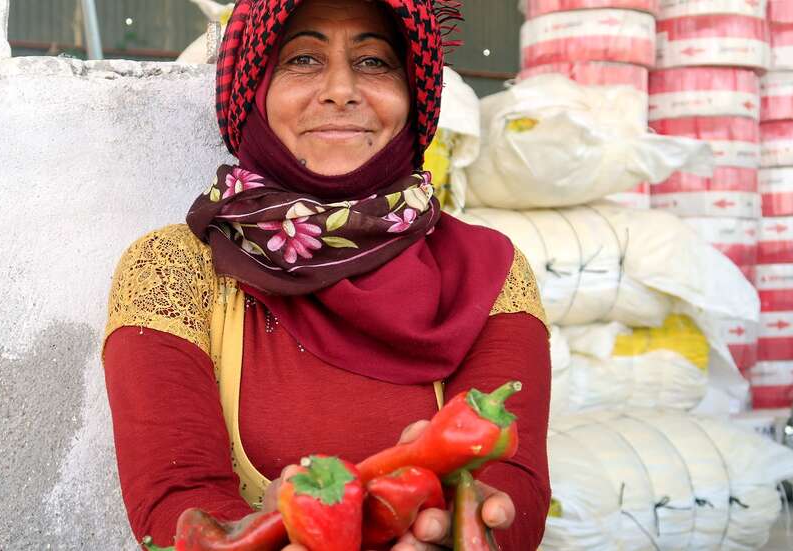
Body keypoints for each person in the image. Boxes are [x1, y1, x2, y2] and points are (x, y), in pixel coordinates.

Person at [102, 0, 552, 549]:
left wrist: (469, 525)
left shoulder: (486, 271)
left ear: (415, 95)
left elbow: (514, 491)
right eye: (303, 59)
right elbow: (175, 496)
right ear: (256, 88)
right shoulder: (173, 269)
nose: (341, 89)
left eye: (375, 62)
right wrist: (260, 536)